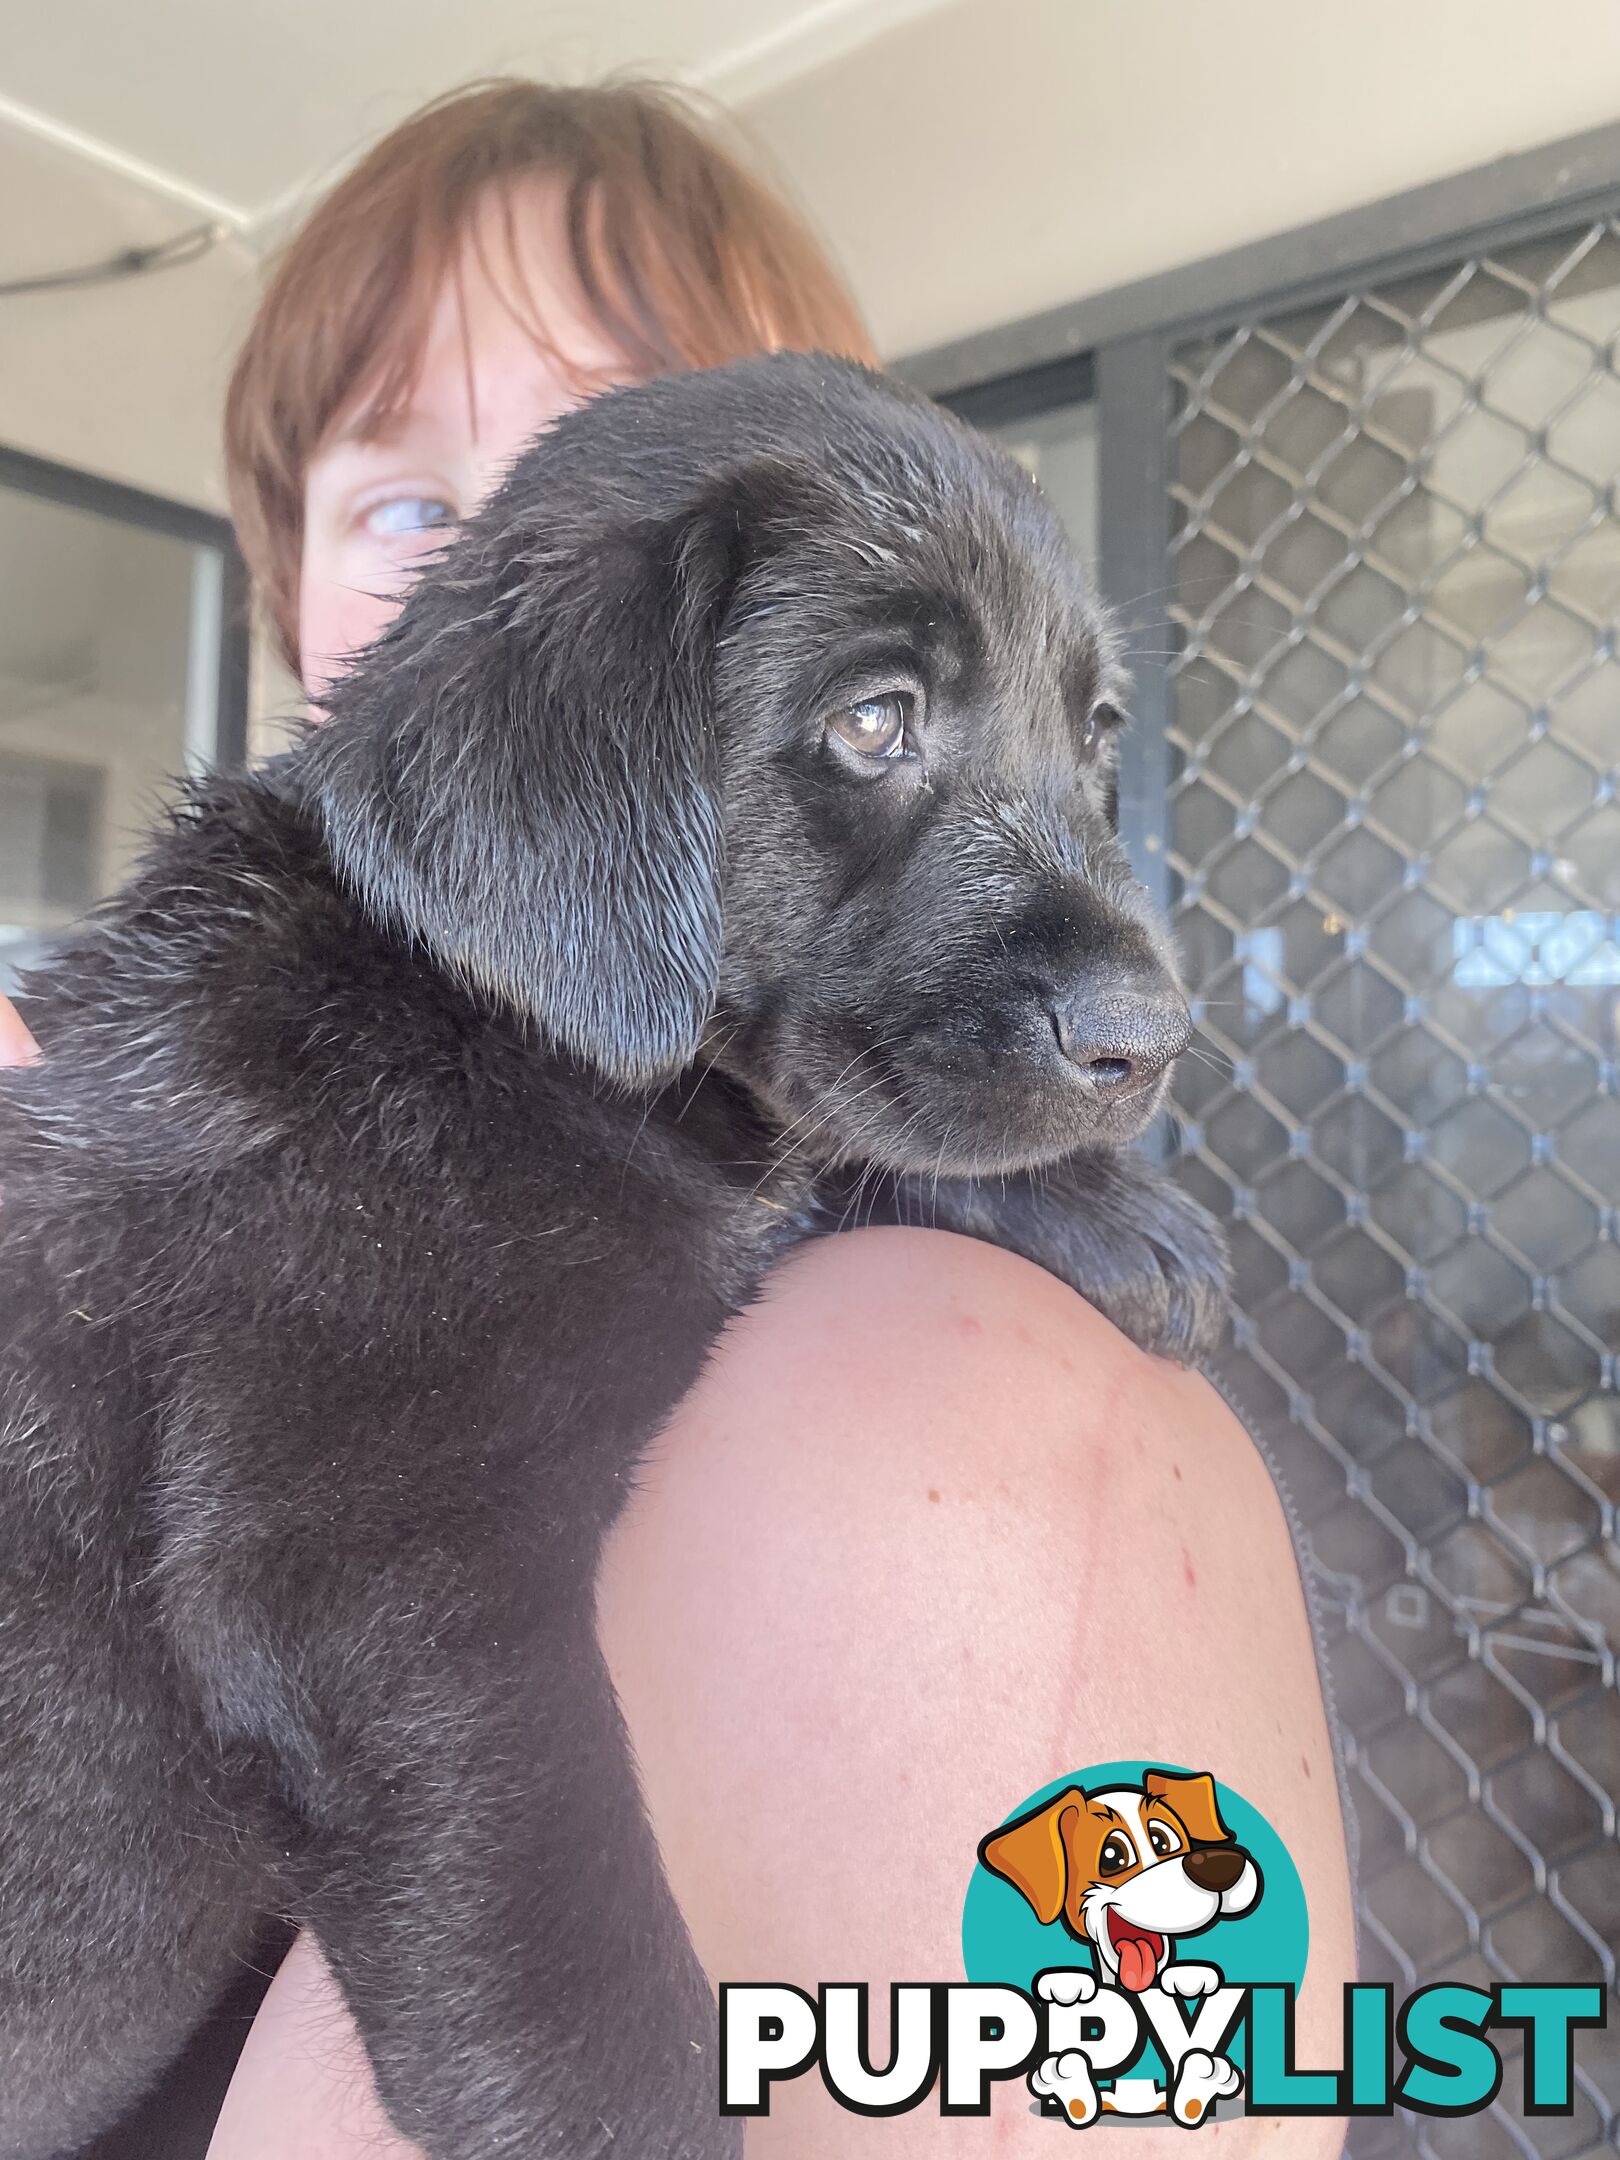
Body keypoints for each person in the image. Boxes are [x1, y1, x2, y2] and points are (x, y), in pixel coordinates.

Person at [3, 79, 1356, 2159]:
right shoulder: (254, 1084)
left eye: (1044, 730)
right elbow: (380, 1630)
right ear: (286, 586)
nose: (496, 570)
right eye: (406, 508)